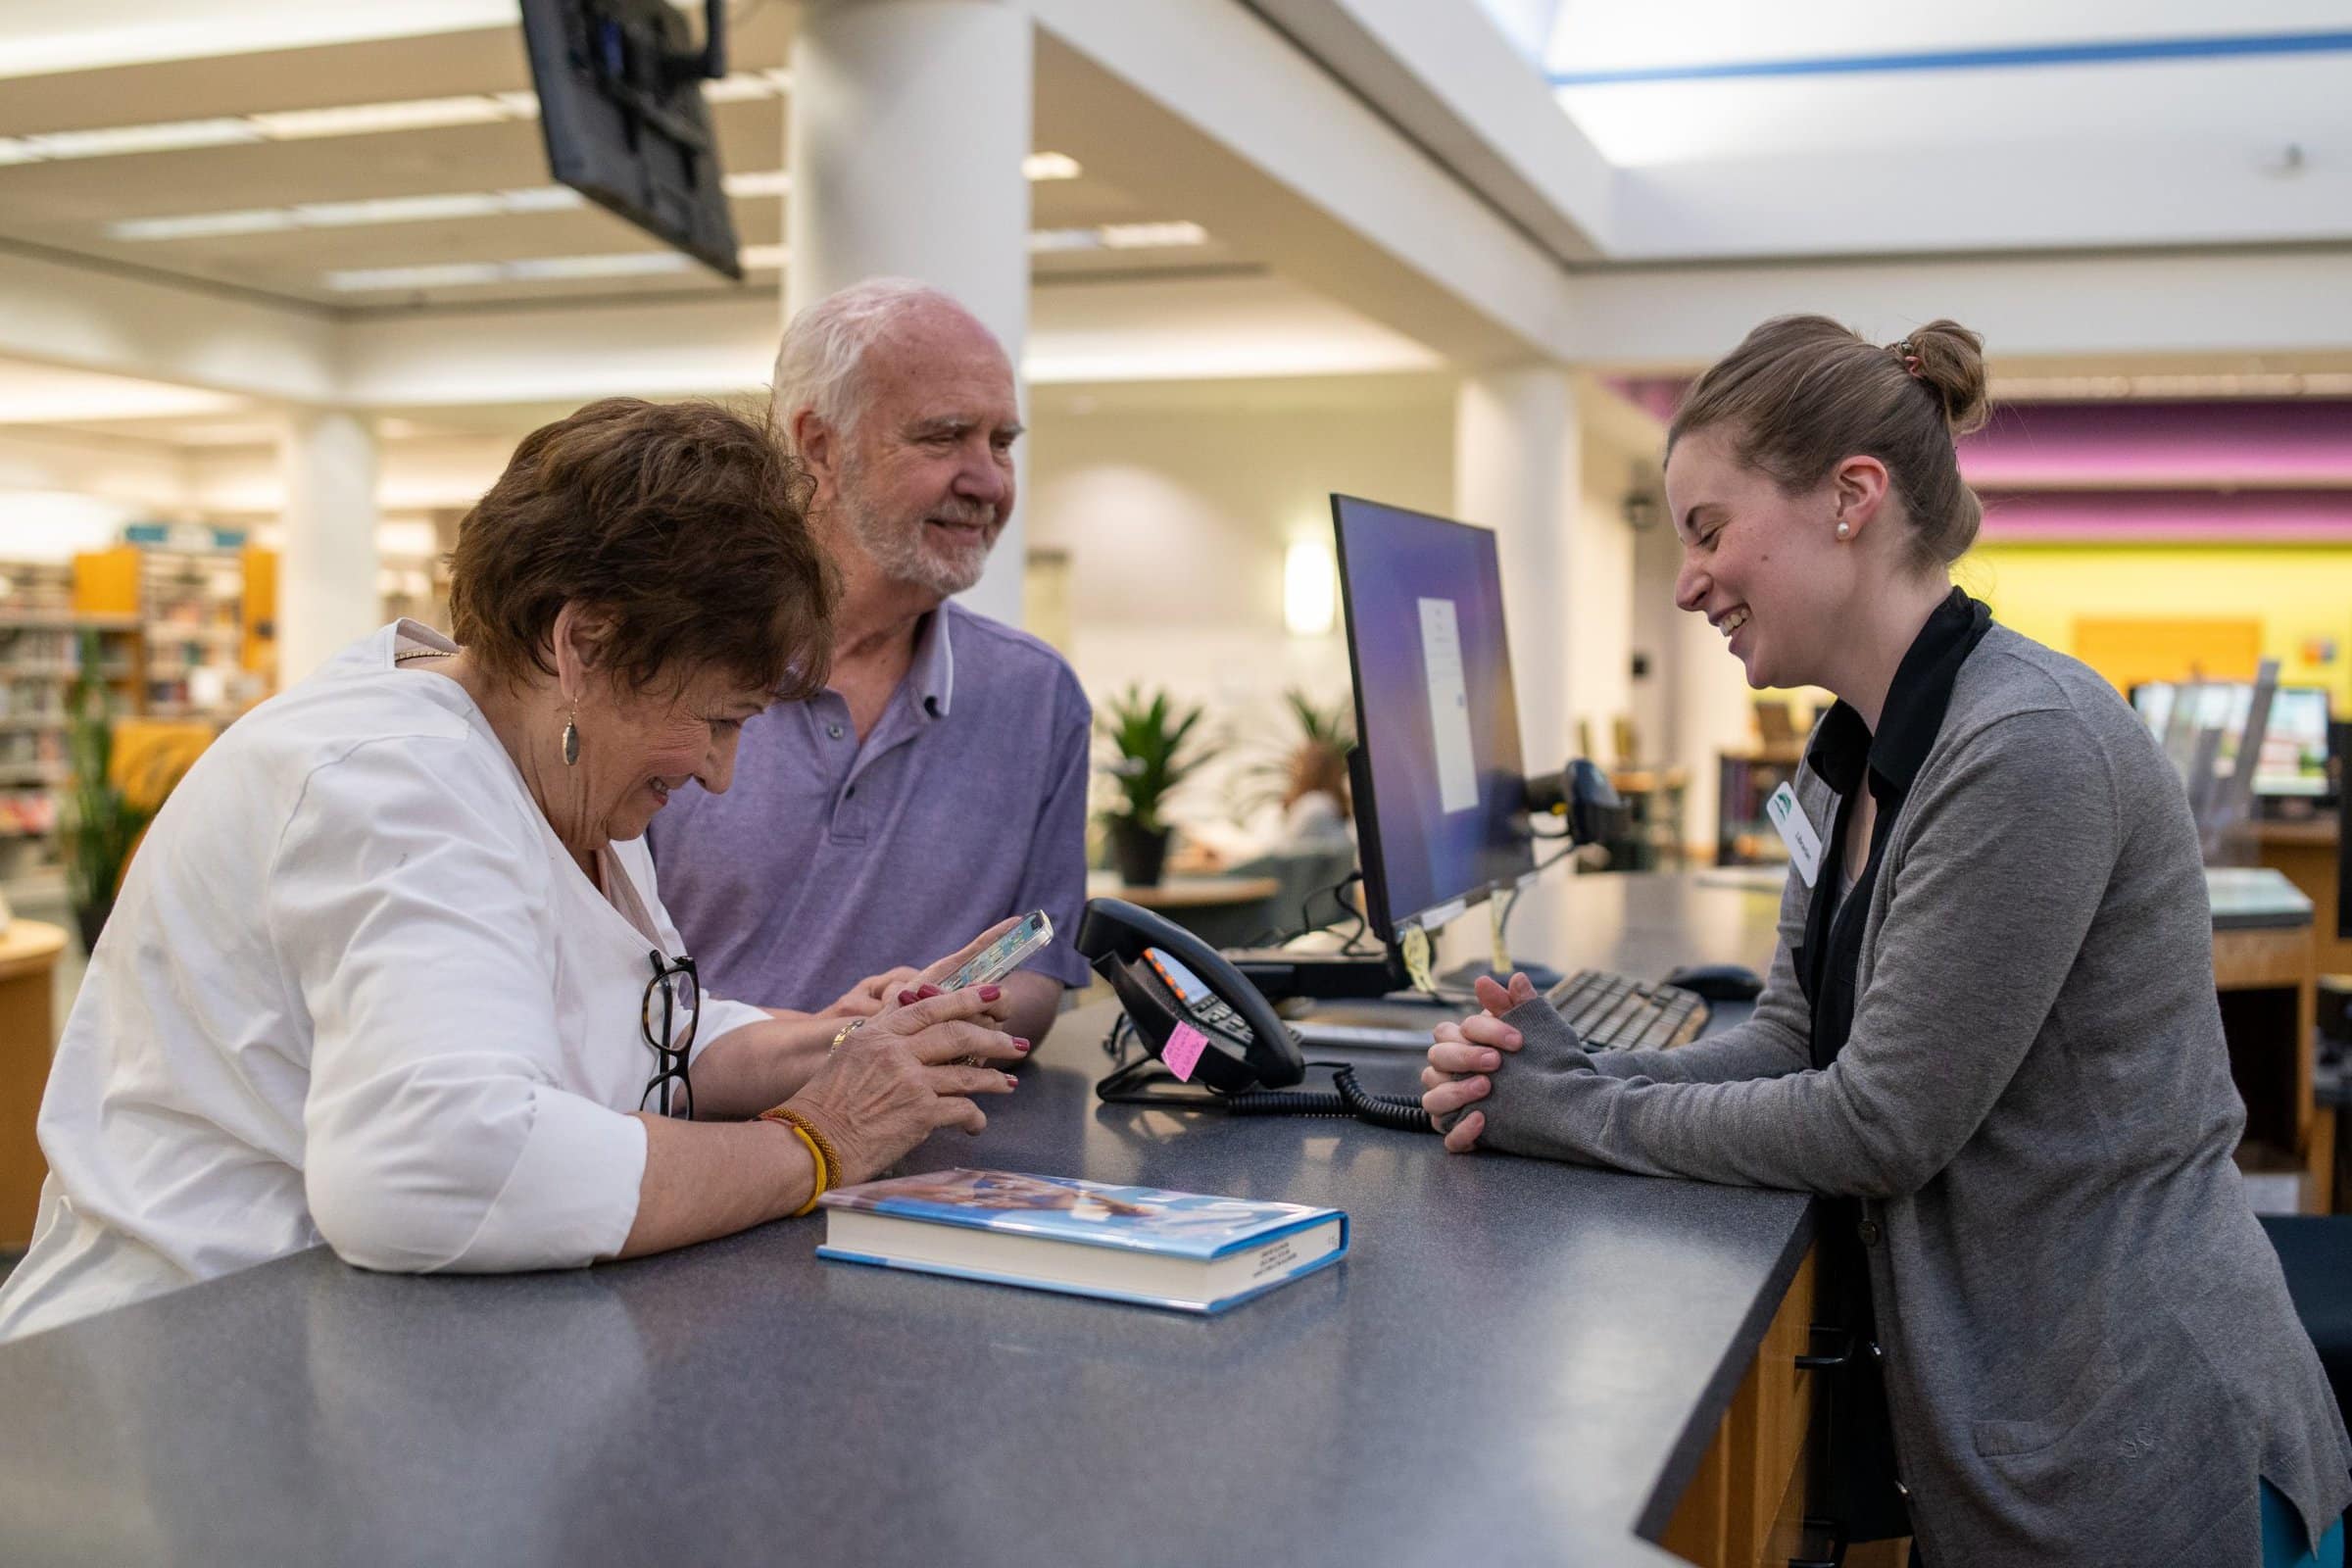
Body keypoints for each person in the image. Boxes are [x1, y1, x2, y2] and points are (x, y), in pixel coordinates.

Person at [1419, 317, 2352, 1566]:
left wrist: (1577, 1113)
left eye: (1708, 530)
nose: (1687, 582)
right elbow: (1793, 1044)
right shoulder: (1846, 757)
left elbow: (1878, 1121)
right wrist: (1559, 1071)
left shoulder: (2025, 745)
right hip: (2015, 1417)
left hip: (2134, 1441)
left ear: (1852, 498)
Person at [0, 399, 1030, 1342]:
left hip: (341, 1346)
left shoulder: (556, 751)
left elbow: (605, 1027)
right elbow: (440, 1170)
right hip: (178, 1365)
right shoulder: (392, 788)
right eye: (716, 722)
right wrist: (815, 1143)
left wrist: (826, 1043)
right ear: (584, 642)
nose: (719, 773)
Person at [650, 279, 1092, 1048]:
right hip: (691, 1140)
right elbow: (590, 980)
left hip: (940, 1149)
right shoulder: (666, 672)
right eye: (944, 436)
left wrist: (935, 1014)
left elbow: (1040, 976)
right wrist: (823, 1043)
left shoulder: (1039, 697)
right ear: (819, 446)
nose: (987, 480)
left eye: (1002, 443)